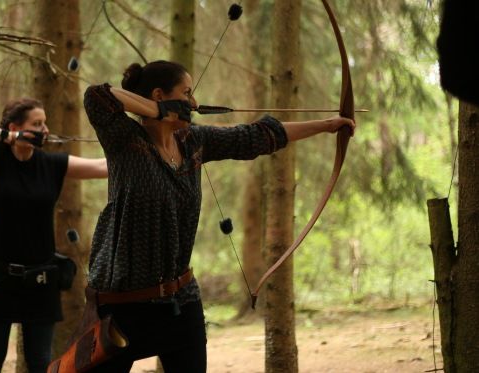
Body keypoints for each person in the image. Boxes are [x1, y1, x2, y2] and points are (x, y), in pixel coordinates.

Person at [81, 60, 355, 372]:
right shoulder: (125, 140)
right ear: (159, 95)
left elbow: (257, 135)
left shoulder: (193, 142)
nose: (194, 103)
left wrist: (328, 126)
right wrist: (159, 113)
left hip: (180, 302)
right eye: (186, 93)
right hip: (122, 305)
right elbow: (96, 96)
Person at [0, 98, 107, 373]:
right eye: (37, 124)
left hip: (40, 278)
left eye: (44, 123)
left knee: (40, 362)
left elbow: (102, 167)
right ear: (15, 126)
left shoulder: (51, 163)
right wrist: (9, 138)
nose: (45, 129)